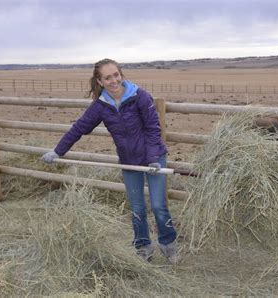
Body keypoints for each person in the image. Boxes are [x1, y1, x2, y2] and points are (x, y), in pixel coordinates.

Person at [41, 58, 178, 264]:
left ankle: (169, 245)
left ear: (120, 74)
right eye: (108, 77)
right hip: (129, 162)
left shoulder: (140, 97)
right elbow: (80, 128)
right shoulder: (100, 106)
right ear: (100, 81)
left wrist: (152, 159)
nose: (114, 80)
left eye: (116, 75)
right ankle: (143, 248)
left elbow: (152, 129)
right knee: (137, 208)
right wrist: (58, 151)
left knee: (158, 205)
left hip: (154, 159)